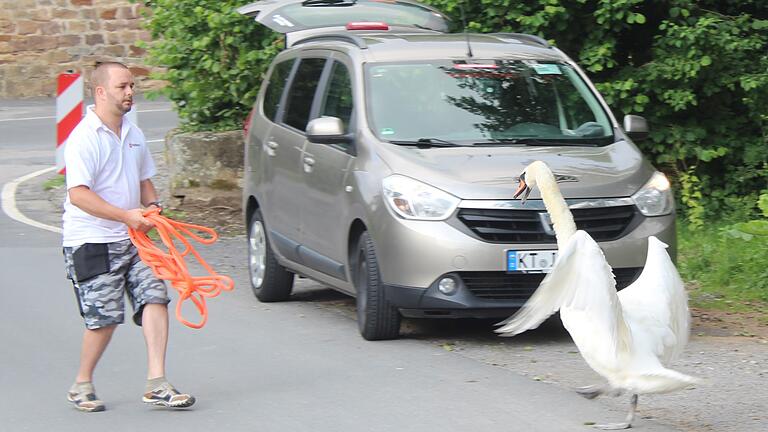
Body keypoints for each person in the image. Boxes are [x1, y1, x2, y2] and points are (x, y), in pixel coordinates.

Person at [61, 62, 195, 412]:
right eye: (122, 87)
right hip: (91, 239)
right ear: (101, 92)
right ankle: (82, 383)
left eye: (132, 85)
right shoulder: (84, 138)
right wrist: (125, 216)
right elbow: (78, 194)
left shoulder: (133, 133)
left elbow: (143, 178)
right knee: (104, 319)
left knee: (155, 296)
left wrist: (152, 206)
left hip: (134, 239)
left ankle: (157, 383)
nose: (130, 92)